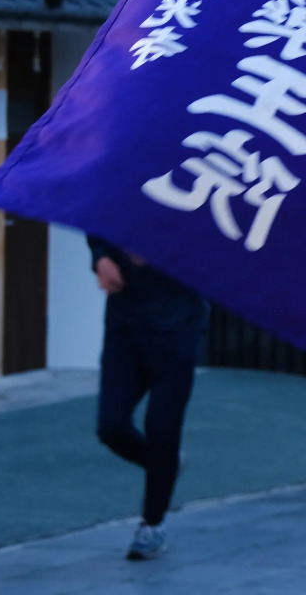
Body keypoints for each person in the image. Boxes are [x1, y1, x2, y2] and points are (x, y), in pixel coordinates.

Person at [89, 236, 208, 561]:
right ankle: (166, 464)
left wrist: (164, 252)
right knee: (111, 426)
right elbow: (96, 220)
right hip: (125, 323)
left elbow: (219, 251)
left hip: (179, 325)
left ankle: (152, 525)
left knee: (162, 427)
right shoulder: (121, 187)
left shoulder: (203, 194)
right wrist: (100, 258)